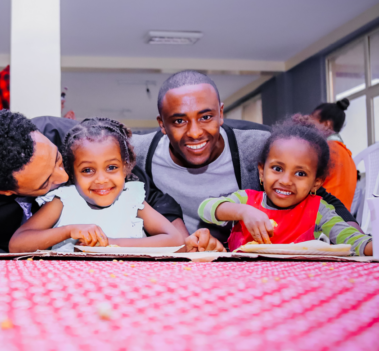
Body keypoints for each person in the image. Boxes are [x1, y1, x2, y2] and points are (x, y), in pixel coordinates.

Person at [131, 70, 361, 248]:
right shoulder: (138, 153)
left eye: (206, 117)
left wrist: (354, 237)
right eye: (179, 121)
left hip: (239, 261)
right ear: (162, 124)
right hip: (172, 262)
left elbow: (316, 193)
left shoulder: (257, 147)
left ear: (221, 114)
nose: (194, 132)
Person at [0, 111, 184, 252]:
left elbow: (148, 194)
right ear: (5, 192)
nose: (64, 179)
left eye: (58, 160)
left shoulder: (72, 139)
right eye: (44, 183)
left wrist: (185, 241)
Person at [198, 117, 373, 256]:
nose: (286, 180)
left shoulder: (318, 209)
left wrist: (370, 246)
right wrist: (243, 211)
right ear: (261, 172)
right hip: (243, 283)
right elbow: (205, 208)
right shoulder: (246, 199)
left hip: (297, 285)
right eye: (277, 169)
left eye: (300, 173)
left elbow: (353, 241)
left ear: (316, 182)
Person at [10, 118, 183, 253]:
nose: (101, 179)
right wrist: (68, 231)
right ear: (72, 172)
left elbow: (175, 240)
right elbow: (17, 244)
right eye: (87, 170)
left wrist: (111, 245)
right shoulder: (64, 200)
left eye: (112, 167)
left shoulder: (131, 199)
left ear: (126, 166)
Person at [309, 99, 357, 211]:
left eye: (312, 119)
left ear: (326, 124)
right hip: (340, 221)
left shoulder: (325, 150)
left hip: (320, 219)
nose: (308, 123)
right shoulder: (346, 154)